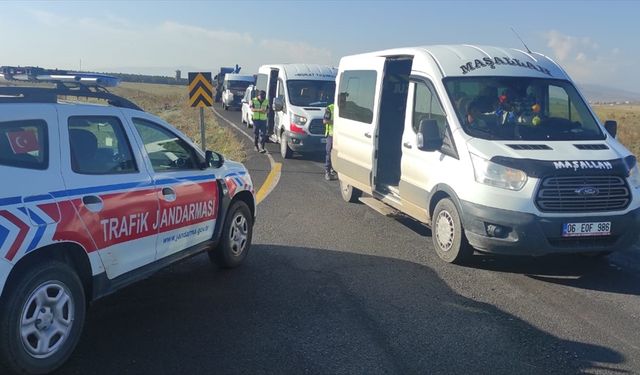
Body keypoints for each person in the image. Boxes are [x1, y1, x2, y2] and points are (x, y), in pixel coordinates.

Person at [323, 101, 337, 181]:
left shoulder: (345, 108)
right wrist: (336, 122)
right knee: (329, 152)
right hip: (331, 134)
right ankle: (327, 171)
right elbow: (325, 121)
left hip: (340, 134)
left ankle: (334, 169)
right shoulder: (330, 108)